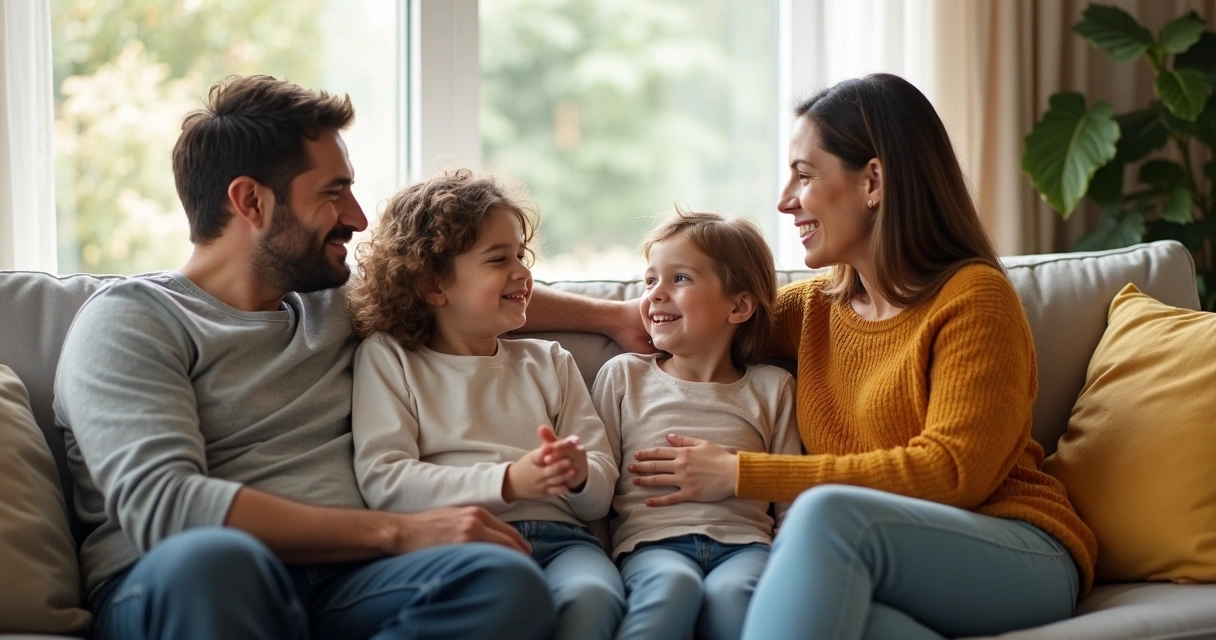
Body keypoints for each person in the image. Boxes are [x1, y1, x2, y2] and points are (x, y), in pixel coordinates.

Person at [523, 73, 1097, 639]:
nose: (783, 201)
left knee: (823, 516)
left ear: (873, 181)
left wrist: (739, 473)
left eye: (803, 175)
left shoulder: (973, 299)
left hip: (1014, 548)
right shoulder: (814, 312)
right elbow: (688, 313)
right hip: (886, 562)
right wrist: (606, 316)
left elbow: (954, 474)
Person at [55, 76, 555, 640]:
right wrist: (396, 532)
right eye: (332, 192)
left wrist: (616, 316)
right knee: (215, 561)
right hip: (187, 589)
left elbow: (460, 291)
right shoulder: (131, 320)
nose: (359, 217)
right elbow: (166, 508)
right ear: (251, 201)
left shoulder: (331, 302)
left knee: (503, 580)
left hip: (349, 586)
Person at [347, 169, 625, 640]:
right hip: (458, 543)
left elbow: (601, 491)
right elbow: (386, 482)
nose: (522, 271)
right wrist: (510, 480)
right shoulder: (390, 358)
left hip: (564, 543)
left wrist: (580, 473)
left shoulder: (549, 361)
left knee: (594, 594)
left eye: (522, 254)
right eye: (498, 259)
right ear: (434, 286)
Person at [592, 210, 801, 640]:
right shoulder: (624, 376)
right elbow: (598, 483)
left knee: (735, 594)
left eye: (680, 279)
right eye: (650, 281)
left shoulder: (773, 387)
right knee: (673, 585)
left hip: (746, 548)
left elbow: (789, 495)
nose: (655, 295)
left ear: (739, 306)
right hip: (651, 546)